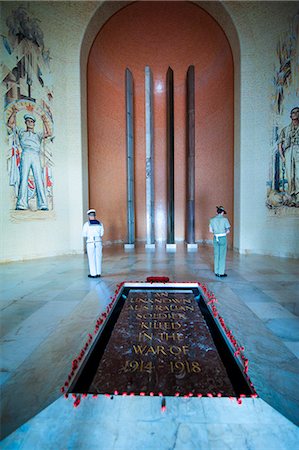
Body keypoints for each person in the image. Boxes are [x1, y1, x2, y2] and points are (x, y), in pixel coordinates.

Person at [7, 106, 51, 210]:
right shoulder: (22, 132)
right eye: (28, 121)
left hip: (35, 155)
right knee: (24, 178)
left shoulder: (38, 135)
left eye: (32, 121)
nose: (30, 123)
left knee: (39, 179)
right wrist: (13, 112)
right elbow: (9, 124)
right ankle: (22, 204)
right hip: (26, 154)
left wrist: (45, 121)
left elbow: (49, 133)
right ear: (26, 123)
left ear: (34, 123)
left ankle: (43, 204)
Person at [278, 106, 299, 204]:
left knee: (298, 175)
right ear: (290, 116)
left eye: (297, 112)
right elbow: (279, 144)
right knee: (290, 175)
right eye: (294, 112)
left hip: (298, 151)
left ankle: (298, 197)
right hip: (288, 152)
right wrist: (282, 157)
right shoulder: (285, 129)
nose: (296, 114)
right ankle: (292, 197)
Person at [209, 206, 231, 277]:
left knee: (216, 254)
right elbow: (228, 231)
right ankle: (221, 272)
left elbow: (210, 230)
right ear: (222, 212)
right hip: (222, 237)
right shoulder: (225, 220)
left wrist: (216, 233)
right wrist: (223, 232)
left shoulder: (212, 220)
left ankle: (216, 271)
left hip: (215, 237)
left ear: (216, 212)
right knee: (222, 255)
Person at [82, 209, 104, 278]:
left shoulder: (86, 224)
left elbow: (84, 234)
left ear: (89, 216)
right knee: (98, 257)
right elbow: (102, 233)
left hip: (90, 242)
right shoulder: (100, 224)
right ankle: (98, 273)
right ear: (94, 215)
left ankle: (93, 274)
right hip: (98, 242)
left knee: (91, 258)